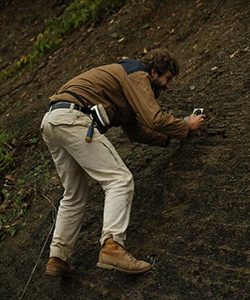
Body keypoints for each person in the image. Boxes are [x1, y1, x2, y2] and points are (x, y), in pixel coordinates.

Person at [40, 48, 205, 277]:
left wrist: (169, 138)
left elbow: (136, 131)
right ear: (155, 71)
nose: (167, 86)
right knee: (119, 179)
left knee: (73, 194)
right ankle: (112, 247)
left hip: (53, 121)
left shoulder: (122, 82)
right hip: (73, 118)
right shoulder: (137, 74)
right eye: (166, 78)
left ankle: (57, 257)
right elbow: (154, 118)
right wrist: (186, 125)